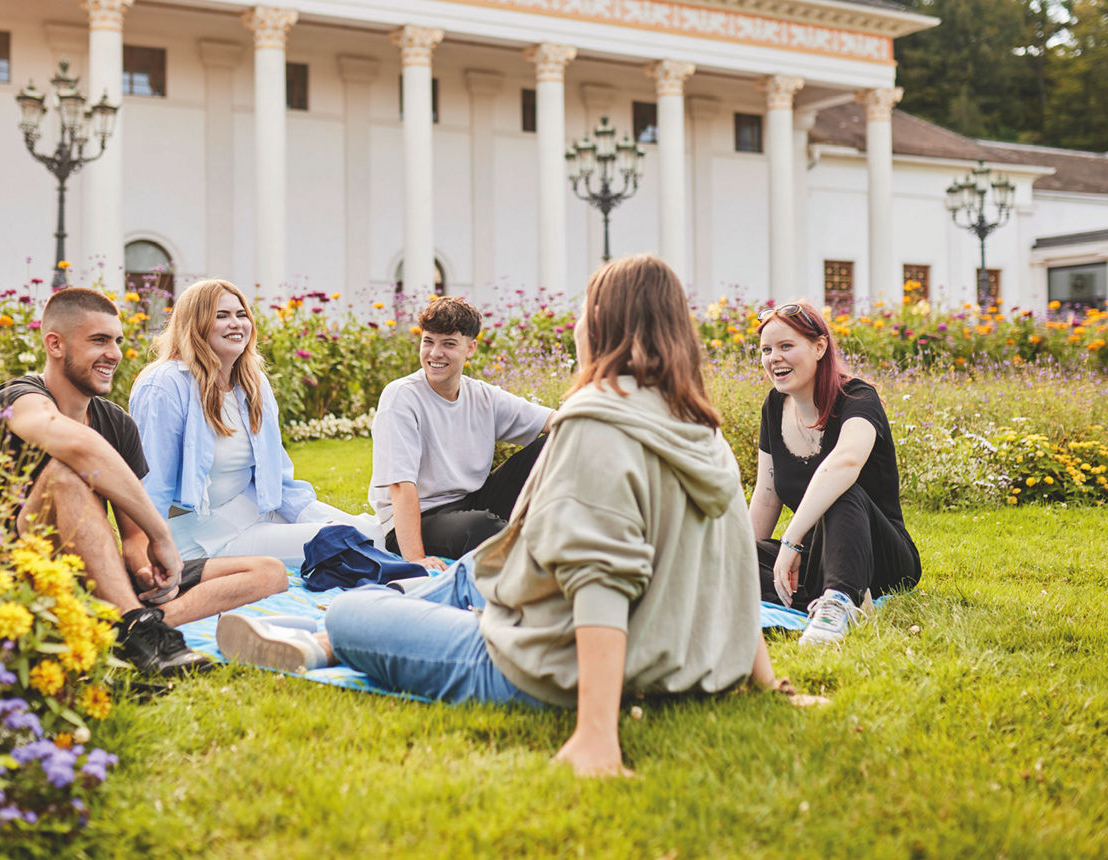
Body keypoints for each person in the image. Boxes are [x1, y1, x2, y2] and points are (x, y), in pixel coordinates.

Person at [219, 255, 787, 777]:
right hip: (658, 653)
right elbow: (732, 554)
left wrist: (596, 735)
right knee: (474, 569)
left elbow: (600, 577)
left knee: (352, 610)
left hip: (538, 663)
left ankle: (326, 638)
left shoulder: (595, 426)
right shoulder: (699, 427)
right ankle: (322, 639)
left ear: (599, 326)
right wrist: (764, 680)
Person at [0, 287, 287, 675]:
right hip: (23, 569)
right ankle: (137, 630)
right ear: (55, 344)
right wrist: (162, 533)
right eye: (98, 341)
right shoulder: (17, 397)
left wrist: (146, 568)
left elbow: (131, 536)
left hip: (94, 570)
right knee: (66, 474)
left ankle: (137, 627)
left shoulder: (117, 423)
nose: (114, 353)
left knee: (268, 572)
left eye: (117, 341)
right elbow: (78, 447)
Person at [129, 279, 378, 571]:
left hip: (254, 510)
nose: (236, 324)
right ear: (195, 325)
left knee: (375, 533)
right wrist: (151, 557)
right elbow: (151, 483)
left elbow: (278, 479)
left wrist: (316, 515)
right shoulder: (166, 385)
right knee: (345, 543)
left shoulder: (252, 382)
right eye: (221, 316)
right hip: (205, 537)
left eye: (241, 314)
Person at [749, 301, 921, 646]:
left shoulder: (857, 397)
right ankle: (836, 593)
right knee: (722, 559)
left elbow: (845, 463)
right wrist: (741, 553)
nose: (773, 358)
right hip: (815, 555)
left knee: (842, 488)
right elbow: (767, 494)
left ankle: (837, 603)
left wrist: (790, 541)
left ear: (819, 346)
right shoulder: (773, 406)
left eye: (786, 346)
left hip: (880, 552)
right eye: (767, 349)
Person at [369, 296, 554, 569]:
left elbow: (553, 420)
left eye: (449, 343)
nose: (434, 353)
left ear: (471, 348)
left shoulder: (481, 395)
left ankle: (583, 524)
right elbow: (400, 485)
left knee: (560, 440)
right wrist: (416, 560)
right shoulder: (401, 397)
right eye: (428, 341)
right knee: (481, 527)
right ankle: (547, 555)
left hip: (471, 502)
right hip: (419, 518)